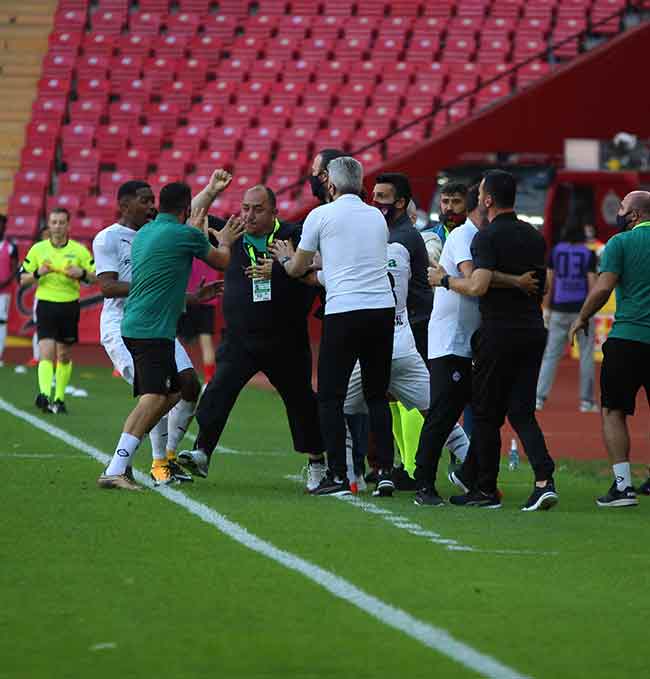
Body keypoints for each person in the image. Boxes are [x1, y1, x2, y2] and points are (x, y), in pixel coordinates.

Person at [177, 185, 327, 490]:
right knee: (218, 390)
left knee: (301, 401)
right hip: (240, 339)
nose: (249, 215)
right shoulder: (230, 231)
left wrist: (284, 267)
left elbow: (322, 260)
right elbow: (191, 215)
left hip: (286, 338)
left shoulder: (294, 235)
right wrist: (212, 189)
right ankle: (202, 451)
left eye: (258, 209)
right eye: (245, 208)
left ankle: (316, 463)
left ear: (274, 212)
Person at [97, 182, 243, 490]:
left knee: (179, 389)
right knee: (154, 397)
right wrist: (225, 241)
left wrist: (193, 296)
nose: (149, 205)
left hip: (148, 324)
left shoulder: (146, 234)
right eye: (143, 200)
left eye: (152, 200)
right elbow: (223, 261)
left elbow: (158, 284)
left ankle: (141, 459)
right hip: (142, 327)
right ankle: (123, 466)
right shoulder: (175, 234)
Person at [432, 170, 558, 511]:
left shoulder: (485, 237)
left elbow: (477, 286)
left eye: (480, 194)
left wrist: (444, 280)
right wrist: (517, 283)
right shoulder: (533, 236)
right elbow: (542, 285)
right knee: (522, 411)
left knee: (486, 414)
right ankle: (544, 480)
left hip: (498, 331)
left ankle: (485, 489)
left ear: (487, 199)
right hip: (532, 329)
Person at [272, 156, 396, 497]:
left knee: (329, 396)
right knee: (377, 395)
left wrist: (284, 257)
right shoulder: (376, 216)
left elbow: (298, 268)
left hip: (345, 310)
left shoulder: (321, 215)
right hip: (381, 309)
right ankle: (385, 471)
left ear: (330, 183)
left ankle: (338, 475)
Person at [569, 191, 650, 507]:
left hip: (628, 337)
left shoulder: (620, 243)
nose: (619, 212)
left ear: (634, 215)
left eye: (622, 207)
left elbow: (603, 287)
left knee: (613, 411)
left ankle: (623, 487)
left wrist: (582, 317)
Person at [372, 174, 433, 488]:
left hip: (413, 324)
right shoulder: (394, 233)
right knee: (395, 398)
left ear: (400, 203)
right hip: (406, 323)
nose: (375, 202)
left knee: (417, 401)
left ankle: (412, 468)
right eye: (374, 195)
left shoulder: (402, 238)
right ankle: (405, 465)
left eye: (382, 197)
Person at [19, 208, 96, 414]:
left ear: (68, 225)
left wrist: (81, 273)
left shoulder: (80, 251)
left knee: (64, 355)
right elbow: (22, 279)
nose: (57, 226)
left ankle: (59, 399)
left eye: (62, 222)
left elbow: (96, 277)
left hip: (69, 305)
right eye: (54, 222)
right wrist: (38, 273)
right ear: (49, 225)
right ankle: (44, 396)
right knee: (46, 352)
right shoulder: (38, 249)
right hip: (46, 304)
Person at [536, 222, 598, 413]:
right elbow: (592, 284)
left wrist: (546, 308)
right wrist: (590, 311)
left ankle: (538, 398)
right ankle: (586, 401)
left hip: (559, 309)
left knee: (550, 355)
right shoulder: (588, 253)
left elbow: (550, 281)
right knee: (586, 355)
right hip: (582, 310)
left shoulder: (556, 251)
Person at [177, 257, 220, 384]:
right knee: (206, 342)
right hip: (206, 300)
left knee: (175, 341)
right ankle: (209, 380)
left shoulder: (187, 248)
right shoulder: (216, 251)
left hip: (187, 297)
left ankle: (174, 374)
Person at [0, 214, 19, 366]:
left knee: (1, 322)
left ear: (5, 227)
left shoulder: (11, 247)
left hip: (4, 292)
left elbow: (14, 269)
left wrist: (6, 281)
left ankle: (0, 355)